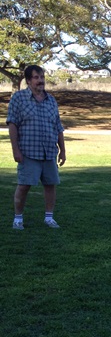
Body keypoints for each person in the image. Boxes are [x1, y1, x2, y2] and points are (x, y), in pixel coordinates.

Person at [7, 65, 66, 230]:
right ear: (28, 80)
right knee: (24, 185)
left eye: (42, 77)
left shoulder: (51, 100)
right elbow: (12, 124)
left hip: (49, 152)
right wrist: (15, 150)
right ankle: (18, 219)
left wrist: (62, 150)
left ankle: (49, 218)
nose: (40, 81)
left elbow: (58, 127)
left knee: (50, 185)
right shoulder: (18, 98)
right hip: (28, 152)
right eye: (36, 77)